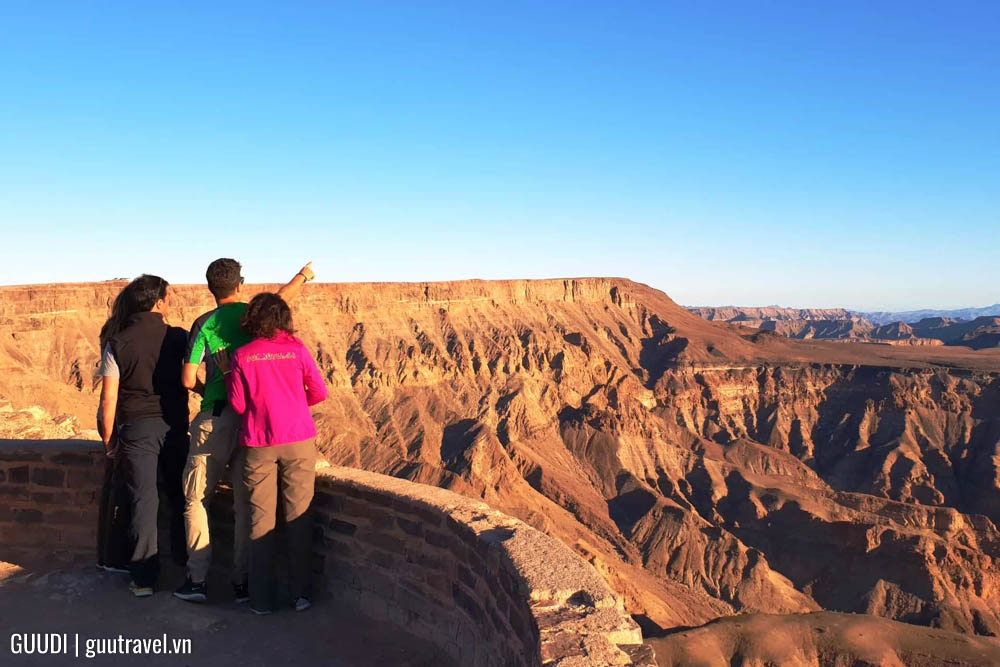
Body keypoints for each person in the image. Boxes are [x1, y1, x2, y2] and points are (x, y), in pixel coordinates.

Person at [174, 259, 315, 603]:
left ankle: (197, 579)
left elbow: (187, 379)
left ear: (211, 288)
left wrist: (209, 391)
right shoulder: (252, 318)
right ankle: (242, 582)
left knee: (196, 498)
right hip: (254, 422)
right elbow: (280, 300)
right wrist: (303, 276)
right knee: (245, 505)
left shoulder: (203, 323)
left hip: (217, 418)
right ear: (240, 285)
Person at [219, 292, 326, 614]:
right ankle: (300, 595)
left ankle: (261, 599)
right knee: (297, 518)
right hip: (298, 440)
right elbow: (319, 392)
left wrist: (226, 373)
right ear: (283, 318)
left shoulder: (242, 355)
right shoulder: (297, 349)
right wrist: (291, 407)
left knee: (259, 521)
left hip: (258, 443)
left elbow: (238, 406)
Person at [98, 275, 188, 597]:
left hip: (136, 429)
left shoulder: (118, 341)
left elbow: (109, 399)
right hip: (175, 425)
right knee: (180, 496)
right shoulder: (179, 338)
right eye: (168, 296)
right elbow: (192, 377)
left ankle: (144, 579)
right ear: (158, 302)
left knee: (143, 501)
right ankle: (185, 567)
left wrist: (109, 440)